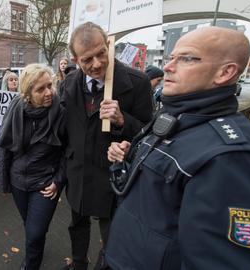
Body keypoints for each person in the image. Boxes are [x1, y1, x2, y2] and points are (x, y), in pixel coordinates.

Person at [106, 26, 250, 270]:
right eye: (171, 57)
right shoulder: (177, 120)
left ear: (225, 72)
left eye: (187, 58)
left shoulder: (232, 156)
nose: (168, 67)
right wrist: (129, 156)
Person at [59, 22, 153, 270]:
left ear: (109, 46)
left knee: (111, 231)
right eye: (87, 59)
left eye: (101, 53)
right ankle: (79, 262)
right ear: (76, 59)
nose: (97, 64)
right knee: (76, 224)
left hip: (112, 177)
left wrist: (124, 121)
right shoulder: (68, 84)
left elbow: (149, 133)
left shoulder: (138, 82)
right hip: (77, 172)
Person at [0, 63, 66, 270]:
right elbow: (4, 146)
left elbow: (68, 152)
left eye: (50, 86)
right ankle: (36, 247)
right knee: (31, 226)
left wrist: (58, 181)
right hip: (18, 181)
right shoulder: (16, 107)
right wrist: (3, 181)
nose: (49, 93)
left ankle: (31, 264)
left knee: (35, 231)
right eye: (40, 89)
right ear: (27, 93)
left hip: (45, 183)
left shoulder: (60, 113)